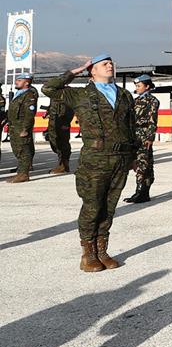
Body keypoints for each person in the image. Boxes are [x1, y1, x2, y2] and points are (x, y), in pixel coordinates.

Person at [42, 54, 137, 272]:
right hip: (95, 158)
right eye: (104, 63)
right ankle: (88, 253)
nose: (110, 65)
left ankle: (102, 250)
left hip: (120, 158)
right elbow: (48, 88)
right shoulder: (80, 94)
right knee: (92, 206)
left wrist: (133, 156)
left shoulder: (124, 95)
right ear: (92, 70)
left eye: (111, 62)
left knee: (109, 206)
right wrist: (74, 71)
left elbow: (131, 127)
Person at [124, 74, 159, 203]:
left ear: (147, 86)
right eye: (136, 86)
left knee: (144, 163)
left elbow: (152, 121)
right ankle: (142, 192)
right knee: (139, 163)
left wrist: (150, 137)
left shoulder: (152, 101)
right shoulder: (136, 100)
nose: (137, 88)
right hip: (135, 135)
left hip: (144, 135)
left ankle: (141, 191)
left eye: (139, 86)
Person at [6, 73, 37, 183]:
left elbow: (29, 114)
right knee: (17, 150)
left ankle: (23, 174)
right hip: (15, 126)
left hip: (21, 127)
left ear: (26, 83)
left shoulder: (29, 96)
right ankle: (22, 169)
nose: (16, 82)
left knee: (23, 150)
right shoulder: (19, 94)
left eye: (19, 80)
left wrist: (25, 129)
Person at [44, 88, 75, 175]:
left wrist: (66, 123)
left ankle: (64, 165)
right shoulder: (54, 94)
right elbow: (53, 107)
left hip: (62, 123)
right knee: (54, 143)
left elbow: (70, 109)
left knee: (63, 144)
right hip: (53, 122)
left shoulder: (66, 93)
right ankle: (61, 164)